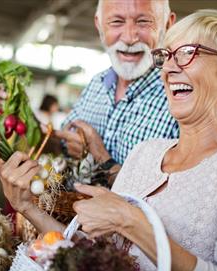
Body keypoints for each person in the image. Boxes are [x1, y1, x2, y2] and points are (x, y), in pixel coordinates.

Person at [0, 9, 217, 271]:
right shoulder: (146, 152)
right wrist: (26, 206)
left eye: (188, 53)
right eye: (167, 56)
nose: (170, 68)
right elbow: (94, 254)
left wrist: (132, 222)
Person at [55, 0, 179, 169]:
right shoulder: (97, 83)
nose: (129, 38)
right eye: (116, 22)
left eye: (143, 21)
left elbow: (173, 191)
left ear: (168, 24)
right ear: (99, 24)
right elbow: (61, 144)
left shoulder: (179, 98)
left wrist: (99, 156)